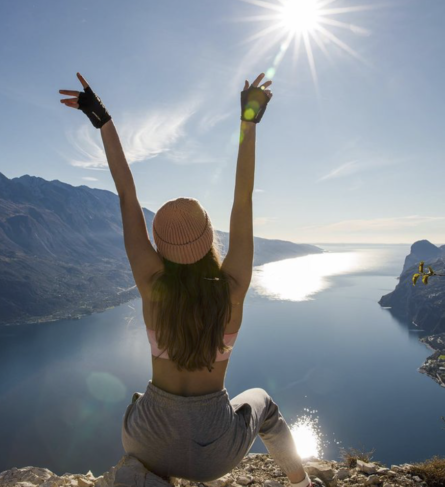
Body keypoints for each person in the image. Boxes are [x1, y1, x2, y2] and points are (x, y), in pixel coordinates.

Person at [59, 72, 325, 487]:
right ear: (208, 239)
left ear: (160, 246)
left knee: (138, 401)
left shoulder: (152, 284)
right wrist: (248, 120)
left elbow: (126, 194)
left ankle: (148, 474)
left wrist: (102, 121)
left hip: (144, 444)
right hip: (213, 457)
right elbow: (243, 198)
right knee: (264, 405)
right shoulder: (232, 290)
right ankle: (300, 482)